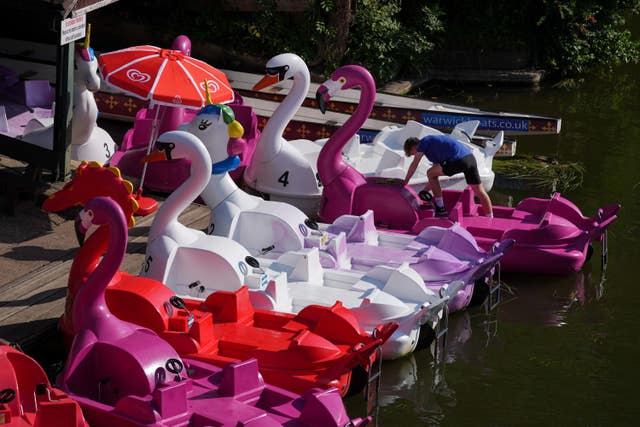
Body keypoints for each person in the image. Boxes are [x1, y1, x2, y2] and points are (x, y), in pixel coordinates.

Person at [403, 134, 493, 217]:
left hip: (458, 161)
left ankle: (441, 209)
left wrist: (405, 182)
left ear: (414, 146)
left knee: (429, 172)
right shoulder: (433, 148)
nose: (414, 155)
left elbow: (414, 164)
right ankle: (490, 217)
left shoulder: (423, 142)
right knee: (479, 191)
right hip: (470, 159)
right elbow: (434, 177)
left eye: (412, 153)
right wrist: (425, 190)